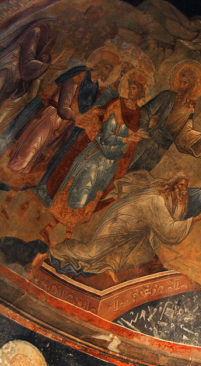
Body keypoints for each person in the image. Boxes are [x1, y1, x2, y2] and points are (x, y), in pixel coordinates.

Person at [31, 171, 201, 283]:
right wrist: (196, 219)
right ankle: (50, 253)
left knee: (128, 251)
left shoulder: (175, 197)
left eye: (185, 187)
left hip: (135, 227)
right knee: (92, 251)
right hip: (121, 220)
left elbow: (200, 195)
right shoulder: (158, 201)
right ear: (171, 187)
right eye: (180, 186)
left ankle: (107, 267)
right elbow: (169, 231)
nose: (183, 191)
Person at [0, 47, 121, 218]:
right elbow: (65, 106)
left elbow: (81, 111)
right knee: (27, 153)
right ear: (98, 63)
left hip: (63, 128)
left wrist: (86, 117)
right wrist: (82, 117)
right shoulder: (80, 73)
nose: (105, 71)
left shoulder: (94, 87)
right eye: (105, 66)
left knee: (35, 162)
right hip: (50, 117)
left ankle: (7, 202)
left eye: (109, 69)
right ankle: (4, 187)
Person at [40, 70, 152, 243]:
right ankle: (49, 228)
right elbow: (106, 135)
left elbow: (128, 146)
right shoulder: (116, 104)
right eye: (130, 87)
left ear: (141, 93)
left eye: (135, 88)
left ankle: (68, 236)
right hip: (97, 153)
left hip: (110, 161)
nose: (131, 91)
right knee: (78, 189)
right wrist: (128, 138)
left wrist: (129, 143)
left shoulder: (138, 114)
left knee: (90, 195)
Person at [127, 59, 201, 172]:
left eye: (185, 83)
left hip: (161, 147)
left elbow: (184, 133)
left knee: (140, 173)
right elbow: (146, 110)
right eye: (180, 81)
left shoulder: (189, 108)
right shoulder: (167, 96)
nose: (181, 85)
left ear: (191, 86)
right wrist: (143, 128)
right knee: (128, 165)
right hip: (148, 138)